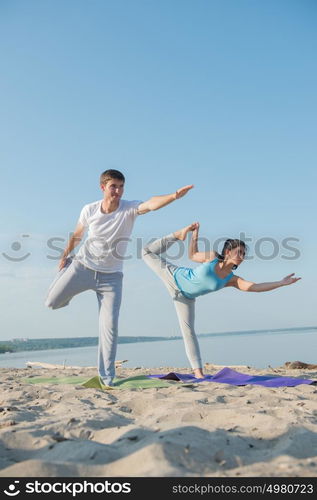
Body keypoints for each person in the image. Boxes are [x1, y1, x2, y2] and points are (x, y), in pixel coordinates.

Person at [45, 169, 193, 386]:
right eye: (113, 186)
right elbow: (77, 235)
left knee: (110, 327)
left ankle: (107, 378)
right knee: (52, 302)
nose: (118, 191)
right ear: (103, 187)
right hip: (82, 267)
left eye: (121, 186)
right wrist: (65, 254)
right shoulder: (90, 209)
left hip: (111, 278)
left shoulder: (129, 208)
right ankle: (68, 278)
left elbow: (150, 204)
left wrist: (174, 196)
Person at [142, 222, 301, 379]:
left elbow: (255, 287)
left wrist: (281, 283)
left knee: (188, 332)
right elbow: (192, 255)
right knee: (146, 252)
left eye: (244, 254)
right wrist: (194, 235)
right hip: (174, 276)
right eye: (239, 252)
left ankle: (198, 373)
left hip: (185, 298)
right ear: (228, 251)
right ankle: (177, 234)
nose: (242, 257)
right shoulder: (211, 257)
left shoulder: (231, 279)